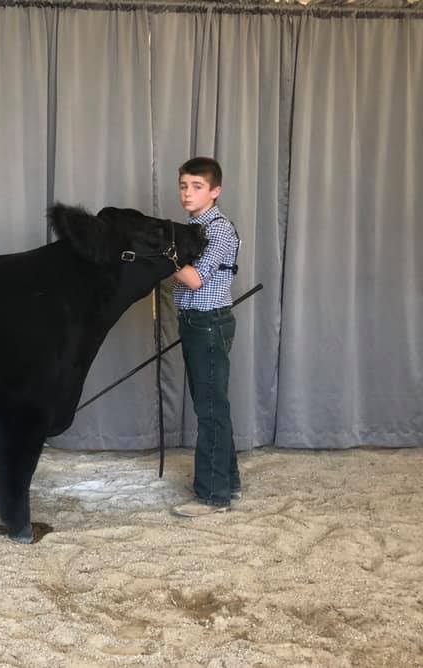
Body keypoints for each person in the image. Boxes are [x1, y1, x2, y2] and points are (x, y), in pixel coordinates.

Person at [170, 157, 242, 518]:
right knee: (213, 404)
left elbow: (196, 279)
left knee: (211, 408)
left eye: (197, 186)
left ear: (215, 191)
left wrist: (163, 256)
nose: (187, 193)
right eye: (183, 185)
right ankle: (228, 481)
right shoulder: (193, 227)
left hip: (208, 323)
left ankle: (214, 496)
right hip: (195, 322)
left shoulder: (219, 230)